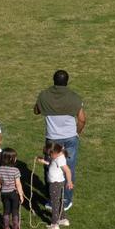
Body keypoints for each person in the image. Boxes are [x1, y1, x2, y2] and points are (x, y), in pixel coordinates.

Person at [34, 70, 85, 211]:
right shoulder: (74, 97)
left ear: (53, 80)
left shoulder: (44, 95)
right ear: (67, 81)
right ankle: (66, 200)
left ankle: (52, 199)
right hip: (70, 138)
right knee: (69, 169)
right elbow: (82, 119)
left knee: (49, 168)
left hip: (52, 140)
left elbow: (36, 111)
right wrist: (77, 133)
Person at [35, 142, 73, 229]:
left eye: (50, 154)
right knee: (60, 201)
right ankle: (63, 219)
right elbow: (52, 164)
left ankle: (54, 224)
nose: (49, 156)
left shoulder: (60, 159)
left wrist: (70, 182)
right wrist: (43, 161)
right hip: (58, 183)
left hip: (55, 184)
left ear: (55, 153)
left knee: (55, 204)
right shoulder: (58, 157)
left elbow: (68, 171)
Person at [0, 149, 25, 229]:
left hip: (4, 193)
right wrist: (21, 195)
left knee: (6, 211)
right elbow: (18, 184)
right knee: (15, 211)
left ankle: (6, 228)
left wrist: (2, 188)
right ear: (12, 159)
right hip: (13, 193)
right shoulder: (15, 170)